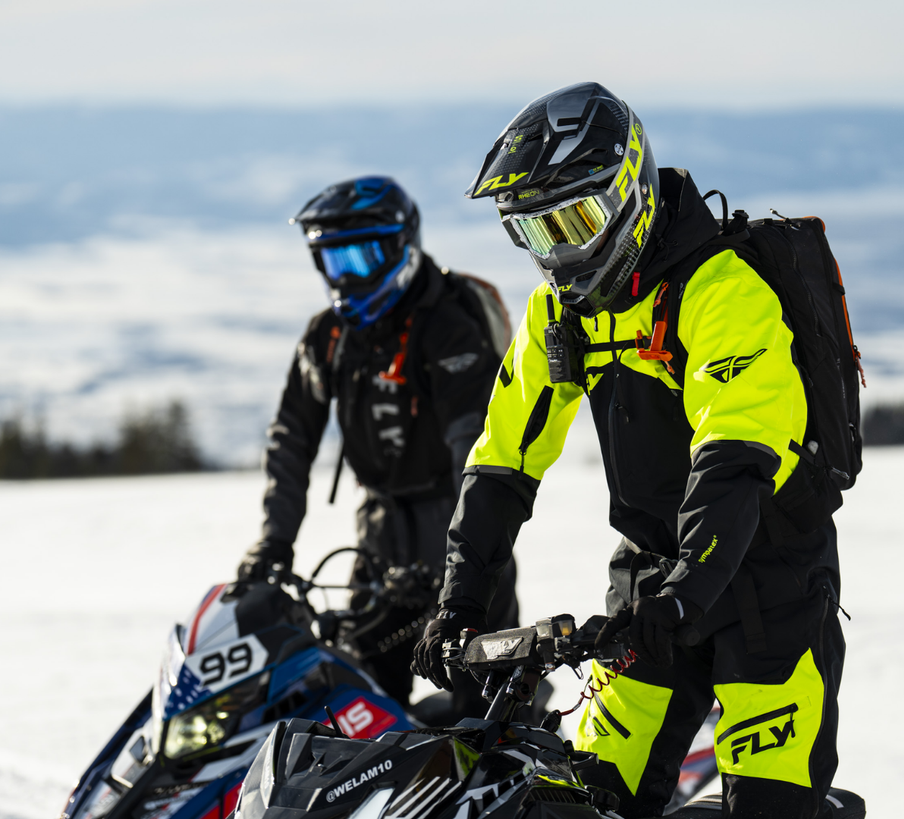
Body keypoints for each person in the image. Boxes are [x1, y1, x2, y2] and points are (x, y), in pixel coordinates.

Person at [412, 83, 846, 819]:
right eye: (539, 233)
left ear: (630, 193)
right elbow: (503, 459)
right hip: (649, 588)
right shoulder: (559, 313)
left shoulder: (722, 290)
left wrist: (685, 593)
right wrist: (460, 598)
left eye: (576, 222)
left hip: (767, 583)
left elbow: (735, 456)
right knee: (580, 798)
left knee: (769, 807)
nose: (562, 254)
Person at [237, 175, 519, 714]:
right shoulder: (327, 337)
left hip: (461, 536)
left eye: (362, 257)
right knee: (354, 708)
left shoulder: (449, 327)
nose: (348, 277)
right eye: (334, 260)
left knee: (484, 714)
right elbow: (291, 440)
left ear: (402, 247)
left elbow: (475, 451)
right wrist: (274, 542)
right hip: (377, 541)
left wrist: (464, 568)